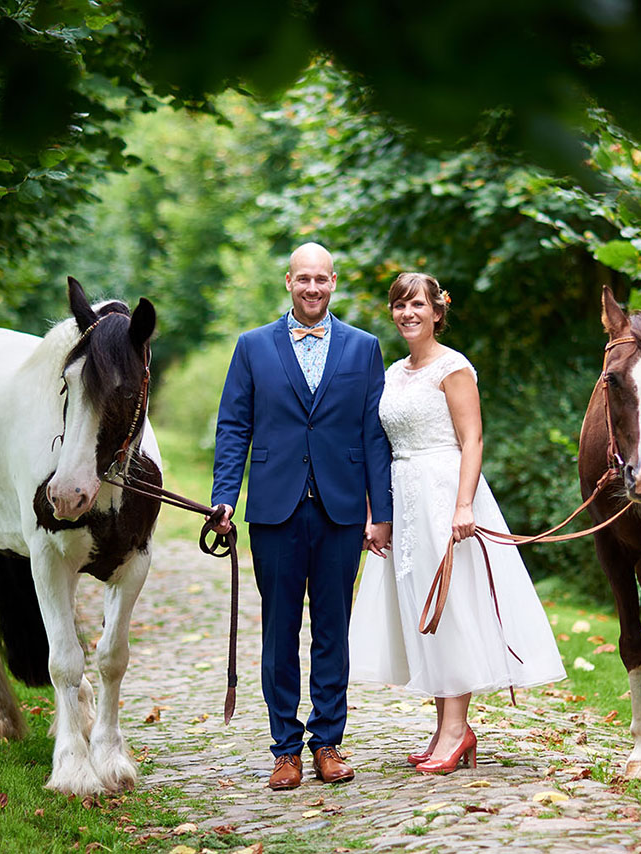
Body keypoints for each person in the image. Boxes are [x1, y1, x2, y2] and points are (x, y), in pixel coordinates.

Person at [348, 272, 566, 774]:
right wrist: (373, 510)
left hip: (445, 492)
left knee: (451, 604)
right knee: (422, 606)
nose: (408, 313)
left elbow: (473, 440)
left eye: (418, 305)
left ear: (438, 312)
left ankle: (456, 730)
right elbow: (381, 446)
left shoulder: (453, 367)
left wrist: (463, 506)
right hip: (404, 496)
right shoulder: (395, 371)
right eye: (400, 305)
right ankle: (444, 727)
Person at [210, 243, 393, 791]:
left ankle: (328, 742)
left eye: (322, 279)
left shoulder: (364, 349)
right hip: (274, 509)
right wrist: (225, 496)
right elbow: (233, 427)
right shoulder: (251, 347)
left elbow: (374, 436)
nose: (312, 288)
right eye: (303, 279)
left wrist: (379, 513)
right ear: (288, 281)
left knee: (333, 630)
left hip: (340, 510)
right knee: (280, 630)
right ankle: (285, 749)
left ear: (333, 282)